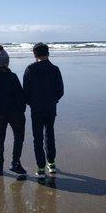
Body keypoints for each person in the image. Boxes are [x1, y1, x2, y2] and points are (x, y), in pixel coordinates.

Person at [0, 44, 27, 177]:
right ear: (7, 62)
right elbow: (20, 95)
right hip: (15, 113)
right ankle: (15, 163)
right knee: (18, 137)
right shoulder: (12, 77)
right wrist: (22, 109)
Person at [23, 43, 64, 179]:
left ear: (35, 54)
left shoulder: (30, 69)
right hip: (50, 107)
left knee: (37, 137)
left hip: (36, 108)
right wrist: (53, 101)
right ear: (48, 53)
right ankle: (51, 164)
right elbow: (60, 91)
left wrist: (31, 103)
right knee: (50, 134)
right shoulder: (55, 69)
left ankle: (41, 168)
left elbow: (26, 92)